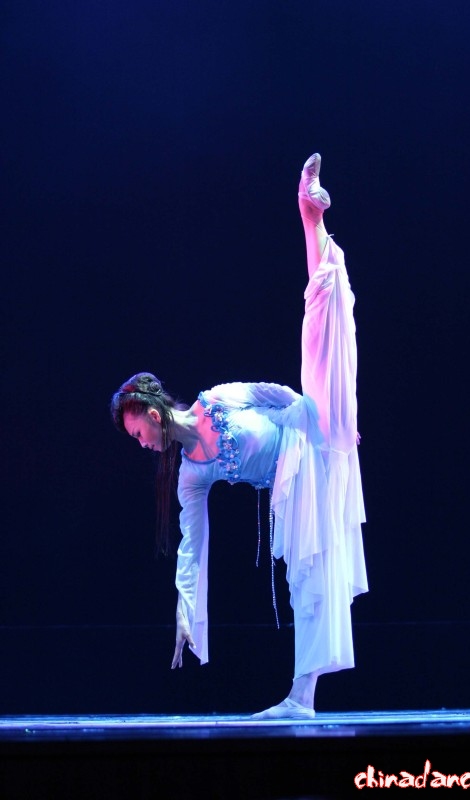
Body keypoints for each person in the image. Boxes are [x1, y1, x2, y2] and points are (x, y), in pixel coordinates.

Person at [110, 154, 368, 719]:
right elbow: (191, 547)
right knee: (307, 581)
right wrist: (185, 611)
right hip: (294, 485)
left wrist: (326, 423)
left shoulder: (217, 399)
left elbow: (276, 393)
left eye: (137, 432)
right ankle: (302, 700)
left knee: (320, 320)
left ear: (152, 413)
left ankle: (310, 215)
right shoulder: (191, 475)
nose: (141, 444)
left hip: (306, 428)